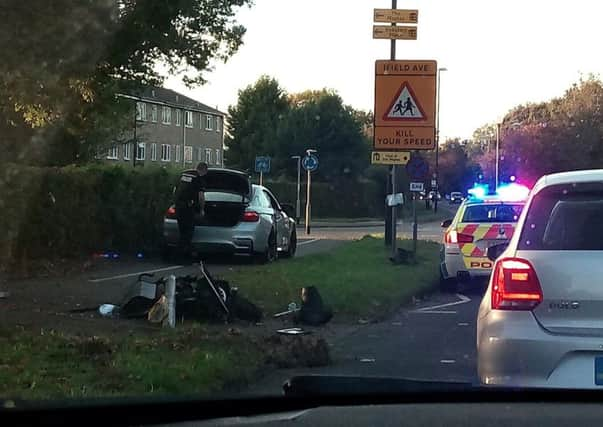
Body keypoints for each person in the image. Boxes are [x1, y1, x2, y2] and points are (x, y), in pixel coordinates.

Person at [174, 162, 208, 260]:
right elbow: (201, 197)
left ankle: (181, 256)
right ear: (204, 170)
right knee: (188, 233)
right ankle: (182, 257)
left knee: (182, 232)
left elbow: (175, 190)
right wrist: (202, 210)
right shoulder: (198, 179)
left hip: (178, 207)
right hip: (188, 208)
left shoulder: (184, 176)